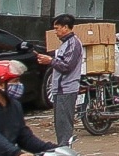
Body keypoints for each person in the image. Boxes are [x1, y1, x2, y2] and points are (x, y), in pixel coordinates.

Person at [35, 14, 83, 146]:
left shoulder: (73, 44)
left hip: (66, 90)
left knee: (64, 124)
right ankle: (63, 150)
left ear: (66, 27)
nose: (55, 32)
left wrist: (50, 61)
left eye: (57, 28)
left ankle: (65, 152)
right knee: (59, 123)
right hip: (59, 89)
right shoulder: (64, 44)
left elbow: (67, 66)